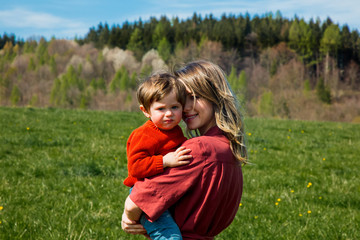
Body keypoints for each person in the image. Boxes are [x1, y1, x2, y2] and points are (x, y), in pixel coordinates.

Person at [122, 60, 247, 240]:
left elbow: (136, 203)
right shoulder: (229, 150)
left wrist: (129, 217)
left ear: (215, 97)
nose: (186, 108)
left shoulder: (200, 149)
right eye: (182, 100)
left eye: (194, 97)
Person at [124, 72, 192, 240]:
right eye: (161, 109)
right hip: (146, 193)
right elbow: (135, 167)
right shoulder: (143, 134)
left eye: (174, 107)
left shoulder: (175, 131)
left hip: (164, 191)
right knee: (170, 236)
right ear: (146, 111)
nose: (169, 113)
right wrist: (165, 161)